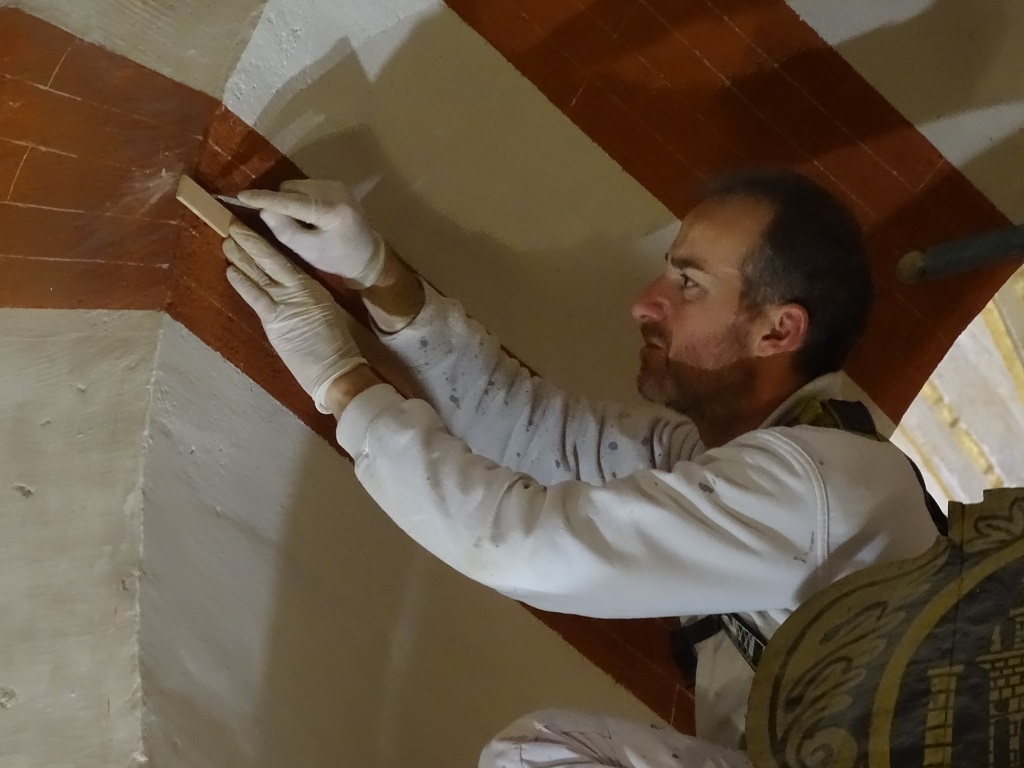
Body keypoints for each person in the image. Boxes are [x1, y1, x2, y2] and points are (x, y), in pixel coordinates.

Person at [221, 169, 940, 767]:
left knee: (544, 758)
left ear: (777, 329)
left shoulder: (819, 488)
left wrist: (344, 384)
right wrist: (378, 276)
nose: (644, 303)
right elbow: (534, 433)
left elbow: (526, 546)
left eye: (687, 284)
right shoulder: (739, 458)